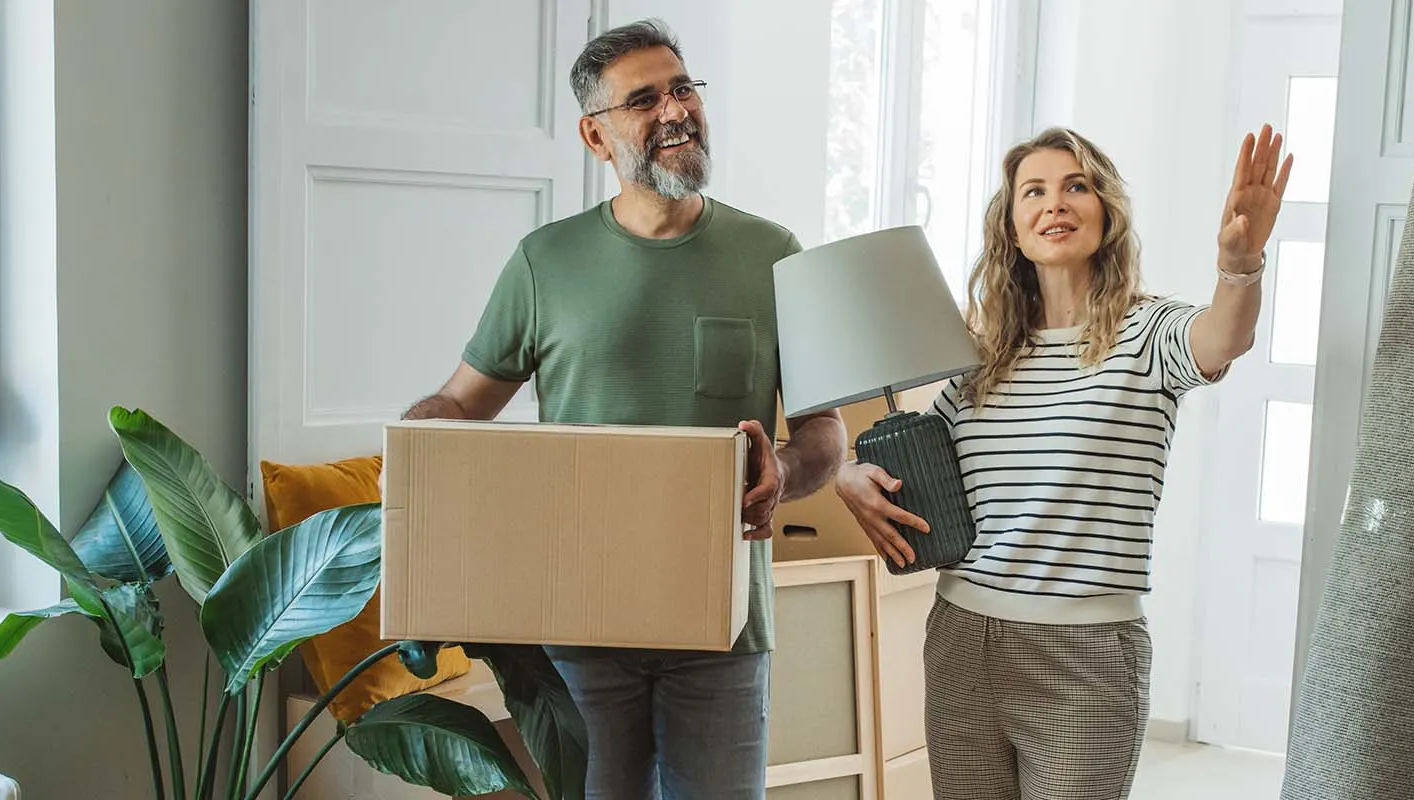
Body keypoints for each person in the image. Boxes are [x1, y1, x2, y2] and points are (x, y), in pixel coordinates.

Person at [401, 19, 847, 800]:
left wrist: (785, 470)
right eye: (644, 99)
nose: (675, 109)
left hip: (724, 625)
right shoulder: (546, 262)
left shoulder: (772, 253)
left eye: (682, 88)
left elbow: (823, 434)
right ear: (596, 136)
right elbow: (461, 405)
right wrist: (413, 452)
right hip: (576, 629)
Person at [834, 125, 1291, 799]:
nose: (1056, 204)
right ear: (1012, 228)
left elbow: (1225, 337)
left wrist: (1240, 261)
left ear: (1105, 213)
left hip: (1087, 656)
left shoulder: (1148, 333)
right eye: (1035, 192)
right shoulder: (980, 360)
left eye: (1076, 186)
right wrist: (845, 474)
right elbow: (913, 466)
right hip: (962, 638)